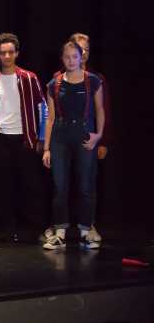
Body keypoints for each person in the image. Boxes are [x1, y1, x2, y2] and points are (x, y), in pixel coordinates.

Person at [0, 33, 47, 242]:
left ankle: (33, 231)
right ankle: (6, 231)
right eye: (2, 53)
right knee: (2, 187)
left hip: (26, 139)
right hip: (1, 139)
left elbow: (43, 108)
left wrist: (42, 138)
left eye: (10, 52)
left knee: (30, 186)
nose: (7, 56)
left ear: (17, 53)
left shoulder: (29, 78)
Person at [41, 32, 111, 246]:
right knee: (60, 186)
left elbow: (100, 110)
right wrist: (47, 148)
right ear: (62, 59)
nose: (71, 61)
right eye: (67, 57)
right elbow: (50, 118)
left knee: (86, 185)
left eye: (75, 57)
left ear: (81, 58)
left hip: (84, 136)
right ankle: (60, 231)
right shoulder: (54, 83)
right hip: (60, 137)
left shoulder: (93, 81)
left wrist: (98, 135)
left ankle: (85, 232)